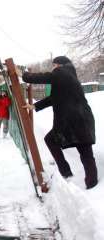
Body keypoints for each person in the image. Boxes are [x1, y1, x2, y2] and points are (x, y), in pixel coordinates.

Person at [22, 56, 98, 189]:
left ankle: (68, 174)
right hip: (82, 119)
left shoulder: (62, 72)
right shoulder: (70, 77)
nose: (53, 68)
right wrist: (35, 106)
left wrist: (24, 75)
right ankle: (91, 183)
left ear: (59, 65)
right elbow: (54, 98)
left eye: (54, 65)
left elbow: (44, 77)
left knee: (52, 141)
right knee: (85, 152)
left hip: (72, 120)